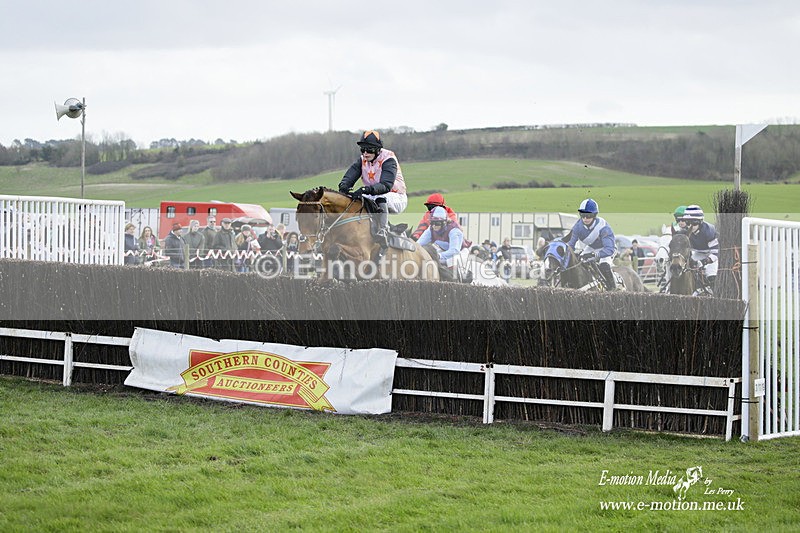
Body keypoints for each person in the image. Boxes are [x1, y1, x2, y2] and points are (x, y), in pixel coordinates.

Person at [338, 130, 407, 245]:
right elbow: (350, 175)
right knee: (355, 200)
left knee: (380, 197)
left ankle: (383, 231)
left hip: (396, 197)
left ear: (378, 150)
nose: (365, 153)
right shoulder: (362, 160)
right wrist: (344, 186)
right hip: (374, 194)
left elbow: (386, 185)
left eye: (369, 150)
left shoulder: (389, 159)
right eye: (363, 149)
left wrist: (365, 189)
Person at [566, 198, 618, 290]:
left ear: (594, 215)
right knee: (579, 261)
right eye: (582, 215)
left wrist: (595, 255)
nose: (585, 218)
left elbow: (609, 250)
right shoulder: (578, 226)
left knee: (604, 264)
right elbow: (571, 244)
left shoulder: (604, 227)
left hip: (607, 249)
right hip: (591, 247)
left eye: (588, 216)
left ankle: (613, 289)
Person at [417, 206, 466, 281]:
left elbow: (454, 250)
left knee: (452, 261)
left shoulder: (454, 231)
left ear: (444, 222)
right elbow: (419, 245)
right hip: (442, 250)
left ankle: (460, 281)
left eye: (437, 223)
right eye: (432, 223)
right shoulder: (431, 229)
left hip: (459, 252)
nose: (434, 226)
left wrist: (439, 256)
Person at [683, 204, 720, 291]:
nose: (690, 226)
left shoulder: (709, 231)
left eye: (694, 223)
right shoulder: (685, 232)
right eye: (688, 223)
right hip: (698, 252)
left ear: (700, 222)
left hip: (711, 253)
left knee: (711, 273)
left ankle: (714, 293)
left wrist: (704, 262)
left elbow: (715, 253)